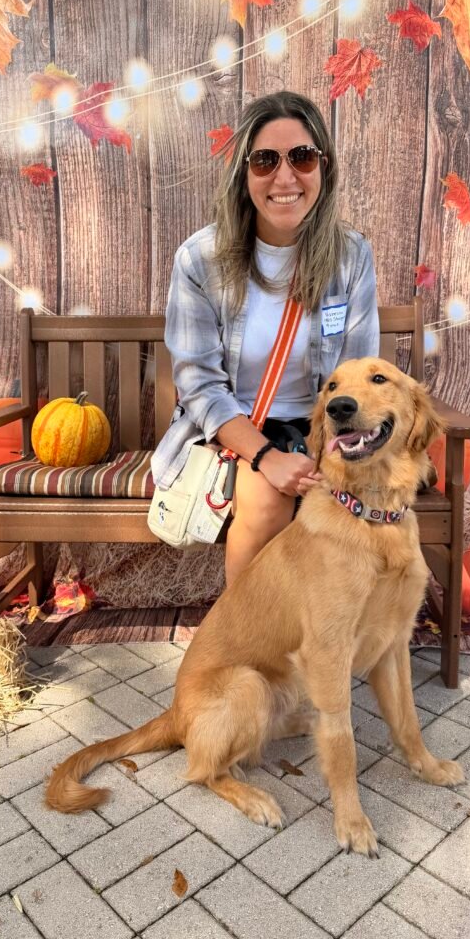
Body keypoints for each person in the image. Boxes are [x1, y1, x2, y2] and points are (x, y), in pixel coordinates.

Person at [151, 90, 380, 586]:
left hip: (324, 430)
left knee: (345, 510)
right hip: (234, 428)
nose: (284, 177)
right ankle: (246, 632)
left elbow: (358, 378)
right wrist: (266, 456)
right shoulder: (200, 260)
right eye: (265, 161)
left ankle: (315, 631)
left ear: (323, 167)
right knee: (266, 499)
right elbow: (199, 386)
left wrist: (327, 453)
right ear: (244, 174)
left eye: (301, 157)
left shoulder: (351, 256)